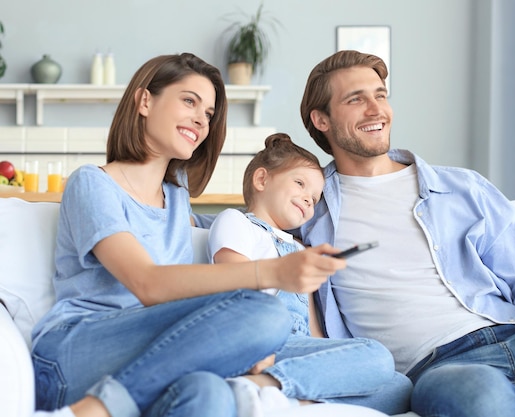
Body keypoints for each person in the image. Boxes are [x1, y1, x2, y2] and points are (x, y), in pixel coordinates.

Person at [296, 49, 515, 417]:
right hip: (442, 368)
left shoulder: (463, 188)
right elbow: (240, 231)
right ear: (321, 119)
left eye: (380, 95)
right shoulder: (308, 206)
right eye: (356, 100)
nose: (376, 110)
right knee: (477, 401)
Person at [30, 53, 346, 417]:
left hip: (157, 358)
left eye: (209, 113)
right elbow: (147, 283)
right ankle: (95, 409)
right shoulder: (93, 183)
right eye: (189, 101)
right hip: (76, 352)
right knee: (264, 314)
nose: (201, 119)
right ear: (145, 100)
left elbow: (248, 224)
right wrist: (274, 272)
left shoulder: (177, 199)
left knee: (209, 392)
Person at [207, 132, 412, 416]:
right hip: (260, 342)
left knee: (400, 387)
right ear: (262, 179)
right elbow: (232, 283)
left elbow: (313, 330)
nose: (308, 199)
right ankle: (258, 385)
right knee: (375, 355)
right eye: (300, 184)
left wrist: (336, 360)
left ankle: (287, 400)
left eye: (315, 198)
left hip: (297, 346)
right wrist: (256, 347)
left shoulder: (300, 249)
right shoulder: (237, 222)